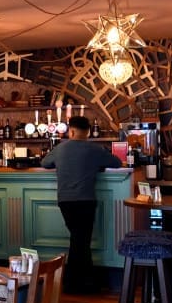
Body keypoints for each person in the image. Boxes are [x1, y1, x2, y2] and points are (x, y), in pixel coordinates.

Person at [41, 114, 121, 293]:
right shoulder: (95, 149)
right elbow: (117, 162)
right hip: (85, 200)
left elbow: (45, 163)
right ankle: (80, 283)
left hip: (65, 201)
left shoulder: (61, 148)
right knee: (81, 240)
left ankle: (76, 282)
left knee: (78, 239)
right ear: (88, 132)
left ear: (71, 130)